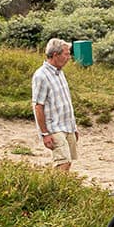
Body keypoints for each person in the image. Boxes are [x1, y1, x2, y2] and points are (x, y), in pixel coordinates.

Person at [31, 38, 79, 173]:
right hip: (54, 127)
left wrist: (73, 127)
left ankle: (60, 189)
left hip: (67, 125)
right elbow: (38, 106)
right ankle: (56, 192)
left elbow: (66, 102)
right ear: (55, 55)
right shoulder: (41, 75)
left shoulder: (60, 72)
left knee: (68, 163)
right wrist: (44, 133)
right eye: (66, 54)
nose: (69, 57)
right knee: (63, 162)